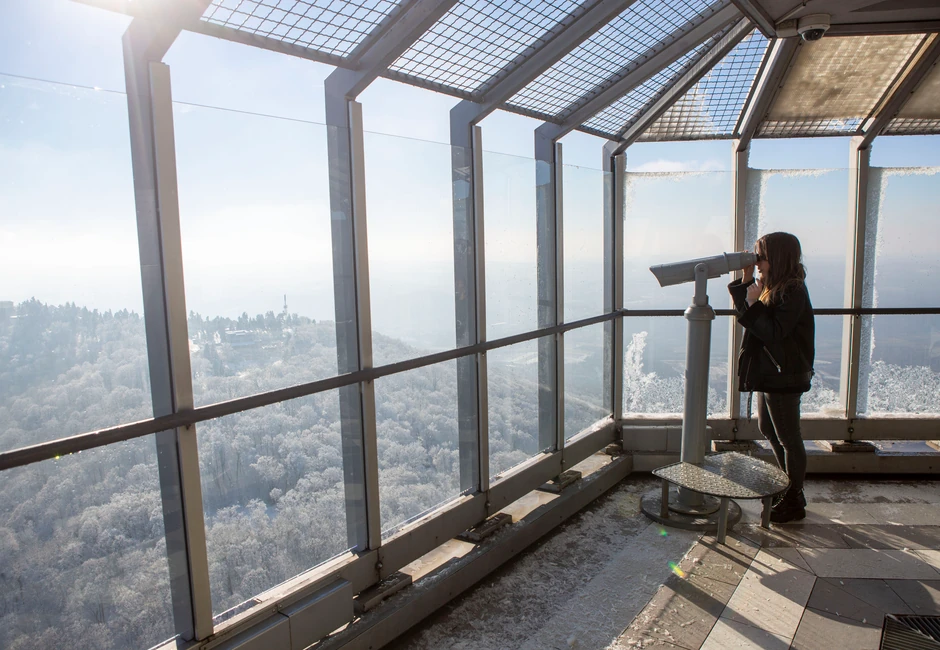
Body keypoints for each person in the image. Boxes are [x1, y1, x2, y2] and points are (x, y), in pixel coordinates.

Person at [728, 232, 815, 523]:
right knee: (769, 429)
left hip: (784, 374)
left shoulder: (792, 291)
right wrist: (746, 281)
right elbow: (749, 317)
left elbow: (773, 332)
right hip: (773, 372)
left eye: (761, 255)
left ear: (777, 257)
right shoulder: (774, 286)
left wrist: (753, 303)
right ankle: (788, 486)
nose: (758, 261)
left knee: (789, 437)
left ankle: (793, 497)